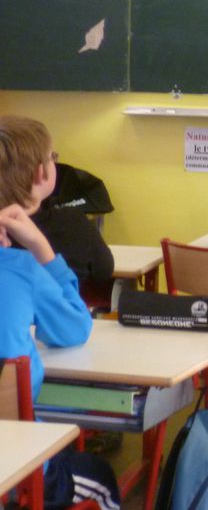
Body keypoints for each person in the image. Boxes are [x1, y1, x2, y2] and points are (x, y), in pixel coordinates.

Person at [0, 126, 121, 509]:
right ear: (42, 173)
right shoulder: (19, 266)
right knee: (101, 480)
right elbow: (73, 329)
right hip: (17, 469)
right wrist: (40, 247)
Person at [0, 116, 114, 305]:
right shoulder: (73, 224)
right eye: (52, 157)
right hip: (54, 325)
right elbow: (104, 270)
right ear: (40, 172)